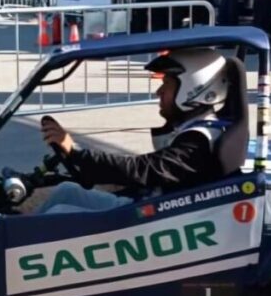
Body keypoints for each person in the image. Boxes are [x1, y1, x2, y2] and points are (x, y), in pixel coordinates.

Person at [38, 48, 233, 212]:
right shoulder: (197, 130)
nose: (159, 92)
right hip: (146, 207)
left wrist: (77, 154)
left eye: (166, 84)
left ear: (193, 88)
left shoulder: (198, 141)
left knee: (58, 215)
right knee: (66, 191)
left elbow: (144, 168)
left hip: (152, 222)